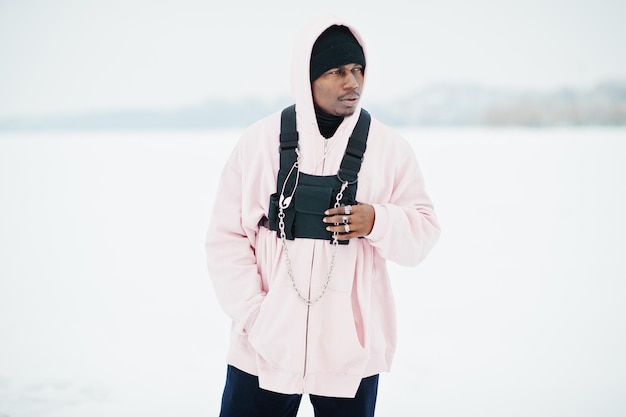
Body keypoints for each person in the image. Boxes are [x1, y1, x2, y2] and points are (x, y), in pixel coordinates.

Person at [205, 14, 440, 417]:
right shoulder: (259, 142)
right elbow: (226, 238)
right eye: (336, 71)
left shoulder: (389, 148)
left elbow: (423, 233)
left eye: (358, 70)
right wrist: (256, 317)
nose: (353, 82)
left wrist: (378, 221)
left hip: (350, 357)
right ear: (306, 77)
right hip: (262, 351)